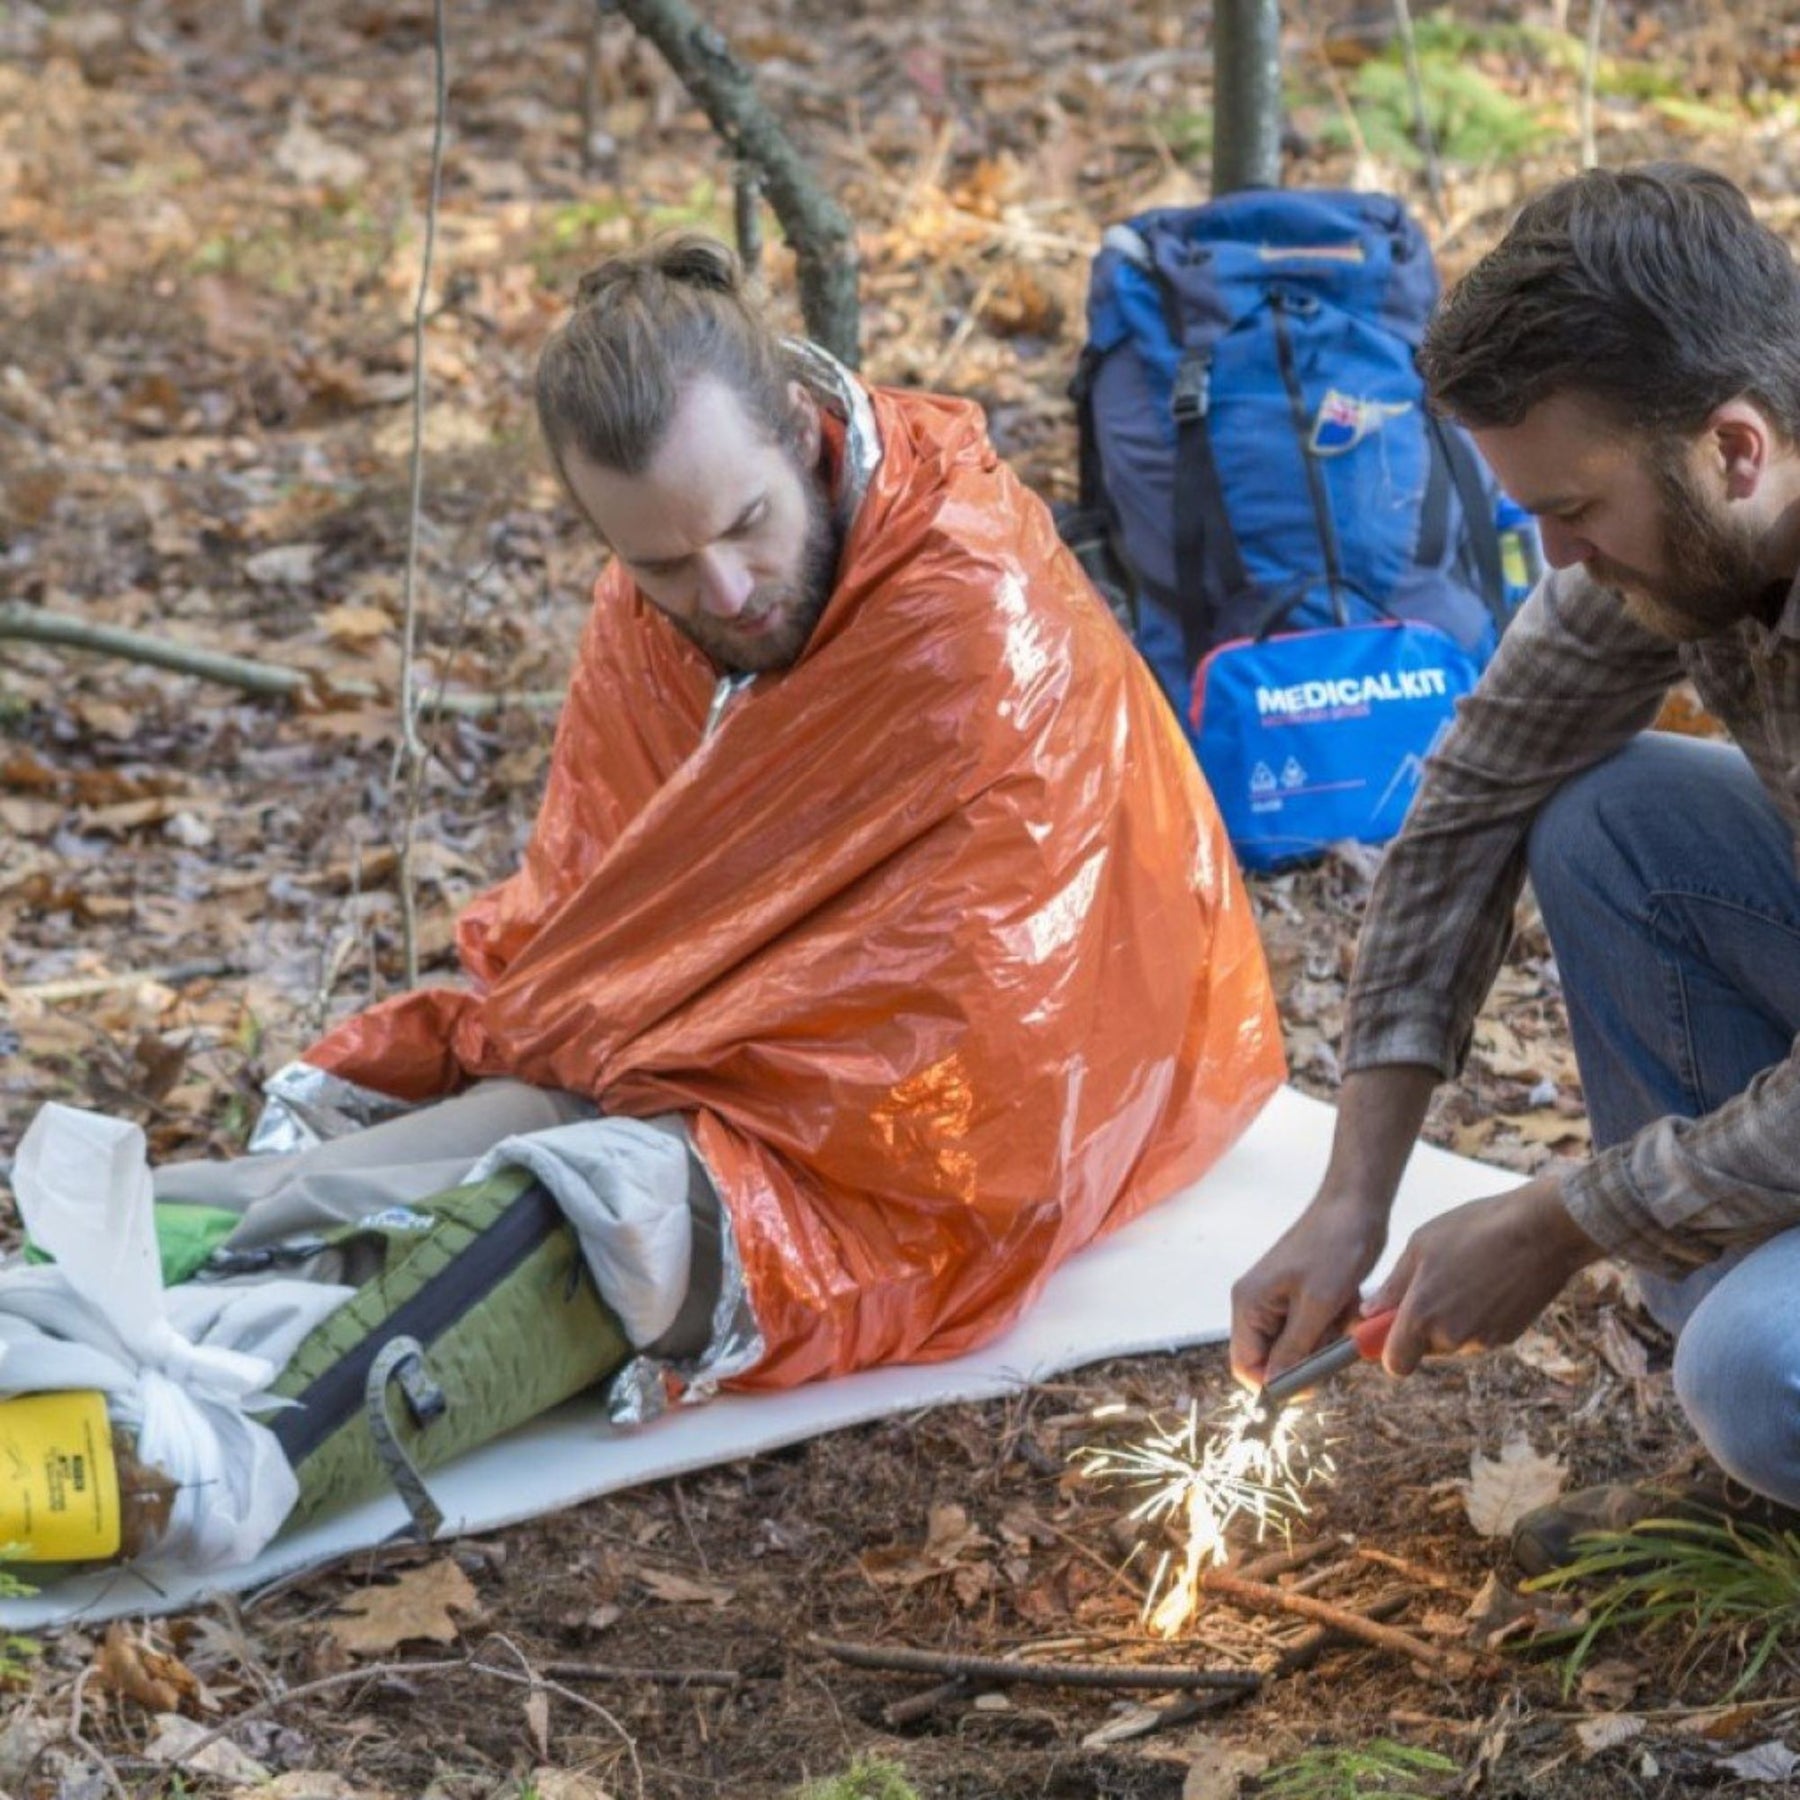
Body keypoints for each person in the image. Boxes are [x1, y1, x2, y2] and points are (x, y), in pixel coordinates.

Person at [154, 234, 1284, 1418]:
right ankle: (188, 1235)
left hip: (953, 1116)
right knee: (381, 1161)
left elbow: (988, 1025)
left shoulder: (967, 611)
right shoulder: (649, 615)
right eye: (664, 561)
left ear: (802, 429)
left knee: (601, 1208)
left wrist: (680, 1065)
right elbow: (605, 914)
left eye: (748, 523)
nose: (727, 593)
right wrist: (634, 1052)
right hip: (705, 1071)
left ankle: (230, 1411)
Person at [1229, 162, 1800, 1570]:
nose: (1554, 556)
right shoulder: (1700, 527)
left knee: (1759, 1373)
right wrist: (1355, 1187)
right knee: (1603, 814)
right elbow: (1471, 801)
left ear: (1736, 449)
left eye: (1574, 508)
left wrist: (1564, 1218)